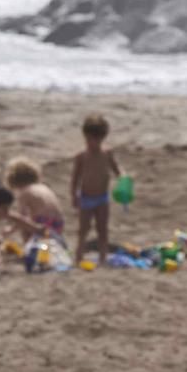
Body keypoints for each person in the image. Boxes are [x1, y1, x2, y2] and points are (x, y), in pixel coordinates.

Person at [70, 114, 123, 266]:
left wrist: (123, 177)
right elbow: (75, 178)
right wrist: (74, 195)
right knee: (83, 229)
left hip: (102, 198)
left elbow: (116, 169)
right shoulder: (81, 156)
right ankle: (78, 257)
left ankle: (103, 258)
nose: (93, 144)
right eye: (90, 140)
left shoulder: (107, 153)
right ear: (85, 137)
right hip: (86, 197)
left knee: (102, 229)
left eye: (97, 140)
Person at [4, 157, 67, 242]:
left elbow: (21, 216)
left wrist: (10, 230)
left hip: (43, 222)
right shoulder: (43, 187)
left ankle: (28, 250)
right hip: (58, 222)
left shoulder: (24, 192)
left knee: (25, 227)